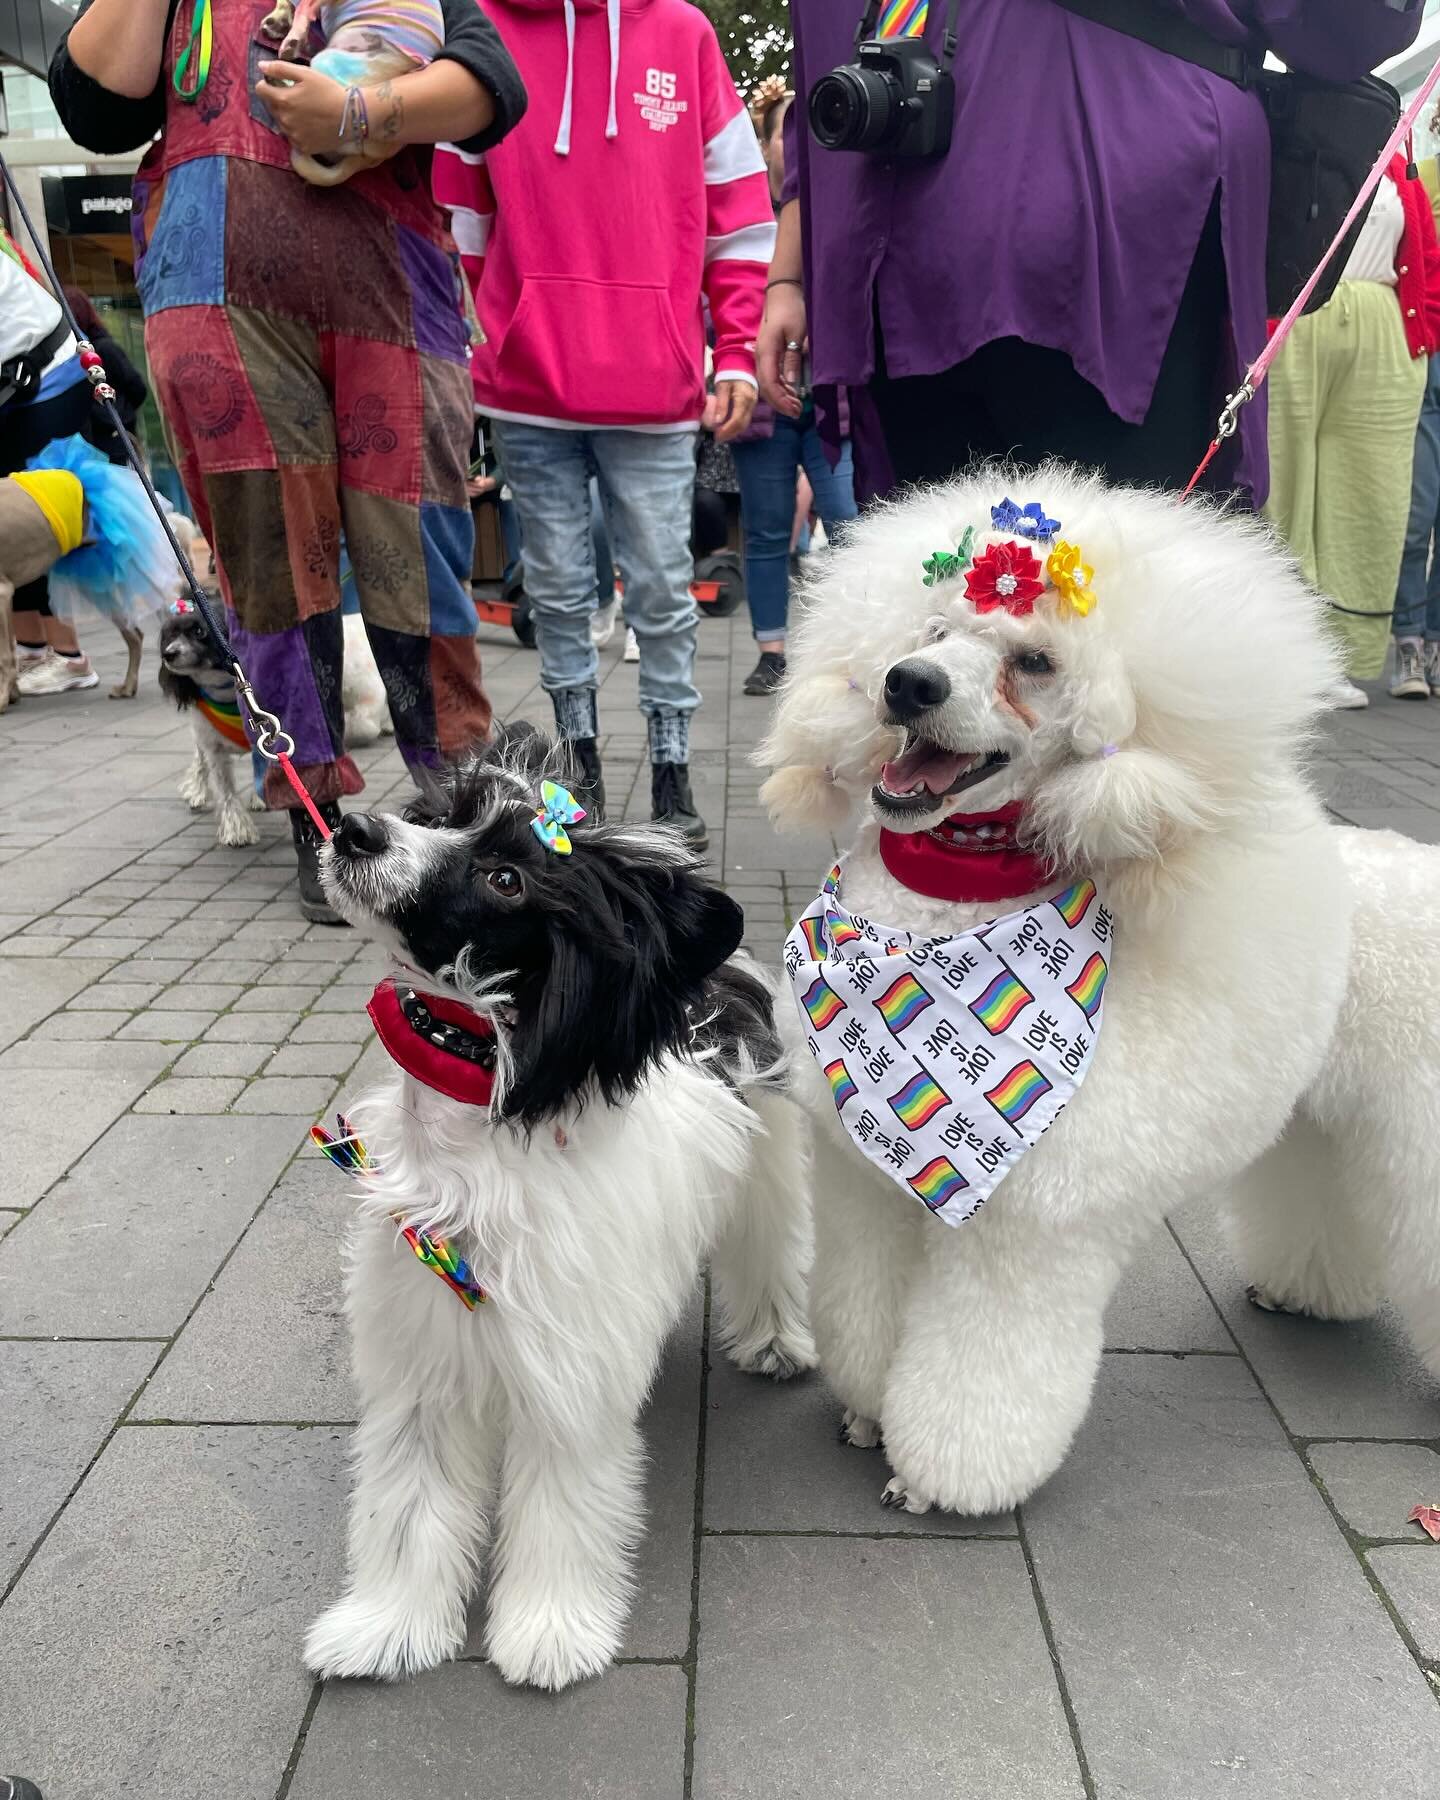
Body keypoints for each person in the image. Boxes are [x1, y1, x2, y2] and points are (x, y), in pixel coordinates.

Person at [50, 0, 526, 922]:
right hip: (210, 279)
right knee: (268, 564)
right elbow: (96, 107)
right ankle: (313, 813)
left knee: (416, 546)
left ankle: (456, 798)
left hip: (391, 284)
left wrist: (362, 115)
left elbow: (489, 87)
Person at [759, 2, 1423, 507]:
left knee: (957, 596)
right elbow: (1347, 25)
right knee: (1095, 599)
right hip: (1103, 182)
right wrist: (792, 263)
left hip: (916, 190)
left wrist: (793, 264)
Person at [433, 0, 774, 848]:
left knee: (661, 587)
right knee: (554, 591)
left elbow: (737, 206)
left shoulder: (683, 32)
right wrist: (488, 334)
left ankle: (672, 774)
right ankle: (576, 779)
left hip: (651, 381)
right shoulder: (482, 29)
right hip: (528, 381)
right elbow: (459, 214)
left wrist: (734, 353)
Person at [1266, 157, 1440, 708]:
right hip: (1297, 319)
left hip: (1384, 329)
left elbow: (1424, 255)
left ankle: (1338, 654)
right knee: (1280, 488)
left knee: (1368, 499)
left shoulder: (1398, 162)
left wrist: (1424, 331)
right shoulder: (1287, 135)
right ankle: (1279, 653)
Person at [731, 80, 856, 698]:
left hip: (831, 400)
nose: (792, 143)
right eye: (783, 131)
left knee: (852, 520)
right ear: (767, 142)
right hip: (762, 404)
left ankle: (861, 643)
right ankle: (771, 651)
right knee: (766, 527)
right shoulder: (743, 211)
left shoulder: (837, 206)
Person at [0, 229, 104, 696]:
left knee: (35, 519)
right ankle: (30, 650)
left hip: (46, 380)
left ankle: (70, 657)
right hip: (21, 386)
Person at [1393, 126, 1440, 702]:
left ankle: (1432, 640)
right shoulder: (1421, 179)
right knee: (1419, 506)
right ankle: (1408, 639)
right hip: (1429, 354)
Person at [62, 287, 148, 464]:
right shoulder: (70, 358)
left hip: (115, 438)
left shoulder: (104, 349)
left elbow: (137, 387)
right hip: (93, 444)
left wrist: (119, 415)